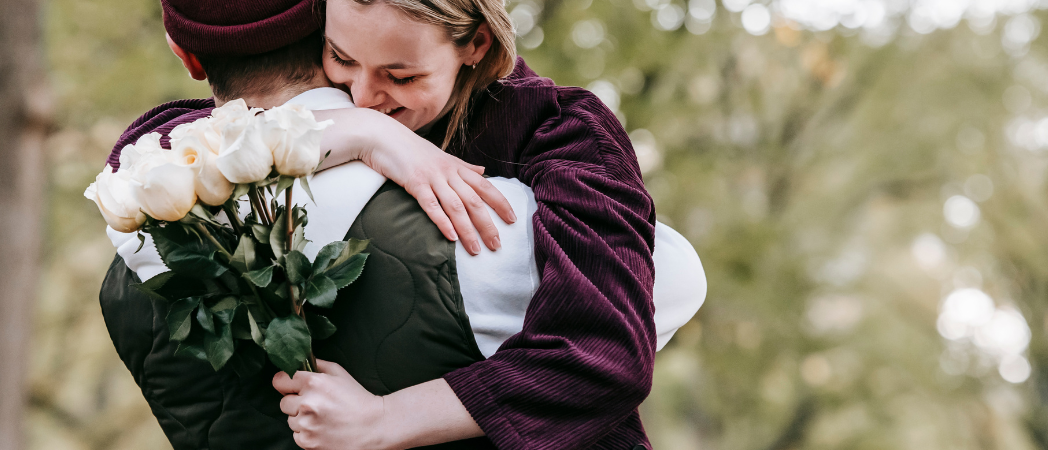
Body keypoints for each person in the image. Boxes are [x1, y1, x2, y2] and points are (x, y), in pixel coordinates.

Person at [100, 1, 705, 449]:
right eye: (341, 59)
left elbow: (608, 347)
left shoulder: (560, 135)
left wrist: (386, 420)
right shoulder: (356, 118)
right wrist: (370, 135)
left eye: (402, 76)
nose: (362, 94)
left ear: (477, 48)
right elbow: (142, 164)